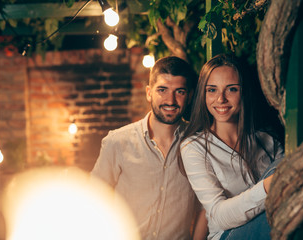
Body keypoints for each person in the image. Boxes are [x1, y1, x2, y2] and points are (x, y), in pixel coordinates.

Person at [91, 56, 208, 240]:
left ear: (190, 95)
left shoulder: (199, 144)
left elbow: (206, 206)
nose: (170, 100)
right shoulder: (117, 142)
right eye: (162, 90)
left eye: (180, 92)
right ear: (148, 92)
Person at [179, 54, 284, 240]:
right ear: (202, 94)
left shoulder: (268, 140)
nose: (220, 99)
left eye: (232, 89)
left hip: (272, 227)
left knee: (286, 165)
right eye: (212, 90)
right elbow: (219, 216)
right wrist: (267, 188)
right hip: (228, 235)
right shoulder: (194, 147)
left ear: (244, 92)